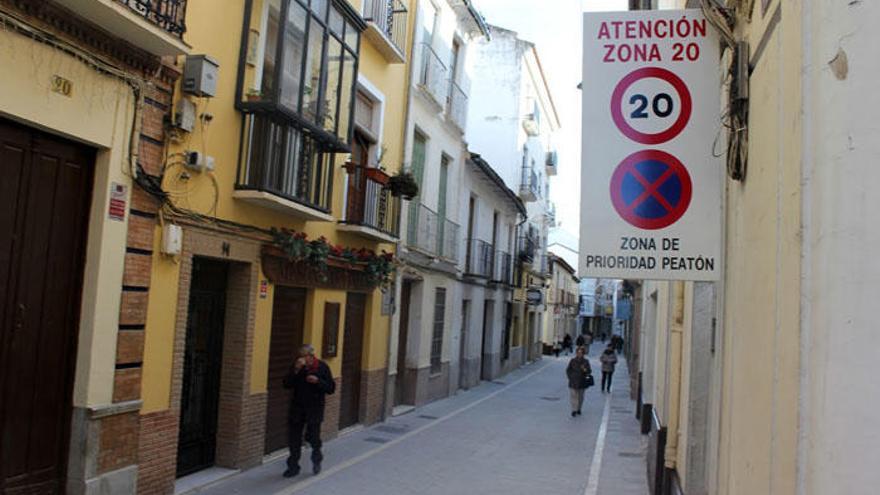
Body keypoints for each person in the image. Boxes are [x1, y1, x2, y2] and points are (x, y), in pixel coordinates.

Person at [283, 344, 335, 477]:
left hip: (314, 409)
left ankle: (317, 458)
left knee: (313, 437)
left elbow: (331, 388)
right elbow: (286, 384)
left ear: (311, 356)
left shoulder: (322, 367)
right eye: (300, 356)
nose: (301, 359)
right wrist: (295, 370)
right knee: (294, 439)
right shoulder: (297, 367)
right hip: (297, 408)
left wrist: (318, 381)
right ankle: (293, 467)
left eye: (304, 356)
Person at [566, 346, 592, 417]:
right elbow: (568, 370)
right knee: (573, 396)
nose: (579, 354)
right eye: (578, 352)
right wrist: (570, 377)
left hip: (582, 381)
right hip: (573, 381)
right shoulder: (572, 360)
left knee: (580, 397)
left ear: (583, 354)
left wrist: (584, 369)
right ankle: (574, 410)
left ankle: (579, 408)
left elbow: (589, 371)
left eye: (581, 353)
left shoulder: (586, 361)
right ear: (576, 353)